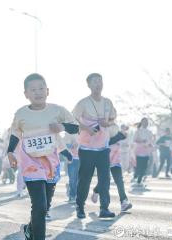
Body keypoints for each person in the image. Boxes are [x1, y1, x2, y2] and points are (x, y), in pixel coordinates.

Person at [7, 73, 78, 240]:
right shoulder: (21, 113)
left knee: (44, 207)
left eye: (41, 88)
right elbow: (15, 134)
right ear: (26, 94)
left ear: (47, 91)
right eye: (33, 90)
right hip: (30, 163)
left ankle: (30, 230)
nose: (37, 92)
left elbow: (75, 127)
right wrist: (10, 152)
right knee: (38, 205)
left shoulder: (57, 110)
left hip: (50, 163)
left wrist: (61, 126)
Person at [73, 73, 117, 219]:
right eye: (94, 82)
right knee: (85, 179)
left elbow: (112, 119)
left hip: (103, 148)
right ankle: (80, 206)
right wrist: (87, 128)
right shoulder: (83, 103)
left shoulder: (107, 103)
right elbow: (73, 120)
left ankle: (104, 208)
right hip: (86, 148)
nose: (98, 84)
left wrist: (107, 124)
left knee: (105, 178)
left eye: (100, 81)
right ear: (89, 85)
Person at [91, 126, 132, 212]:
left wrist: (123, 134)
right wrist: (120, 136)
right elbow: (104, 142)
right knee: (104, 180)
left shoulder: (115, 127)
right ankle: (96, 190)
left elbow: (123, 140)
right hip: (104, 159)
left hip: (115, 159)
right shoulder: (99, 128)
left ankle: (123, 202)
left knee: (119, 181)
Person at [133, 118, 154, 188]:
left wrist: (150, 145)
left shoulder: (149, 132)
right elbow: (135, 140)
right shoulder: (138, 131)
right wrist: (142, 141)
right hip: (139, 151)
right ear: (141, 123)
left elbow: (151, 141)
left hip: (146, 151)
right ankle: (138, 179)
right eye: (144, 122)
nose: (146, 123)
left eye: (147, 122)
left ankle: (139, 180)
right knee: (139, 166)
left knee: (144, 167)